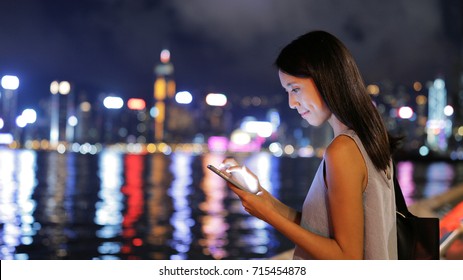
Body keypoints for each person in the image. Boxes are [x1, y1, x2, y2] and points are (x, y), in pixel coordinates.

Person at [220, 30, 400, 260]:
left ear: (326, 79)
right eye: (287, 92)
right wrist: (262, 197)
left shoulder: (342, 150)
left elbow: (346, 258)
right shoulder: (368, 140)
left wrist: (268, 215)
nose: (292, 102)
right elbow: (319, 229)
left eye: (295, 89)